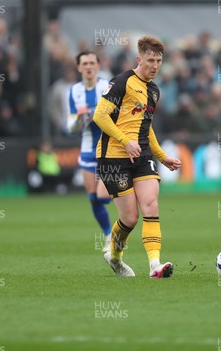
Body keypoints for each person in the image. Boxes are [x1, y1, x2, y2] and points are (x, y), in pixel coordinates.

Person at [93, 36, 182, 279]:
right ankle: (114, 257)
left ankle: (155, 265)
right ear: (138, 59)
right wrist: (124, 140)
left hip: (142, 155)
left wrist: (162, 157)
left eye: (159, 61)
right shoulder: (121, 82)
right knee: (130, 218)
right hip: (113, 158)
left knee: (151, 205)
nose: (155, 65)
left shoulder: (154, 91)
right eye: (150, 60)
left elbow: (146, 127)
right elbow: (99, 116)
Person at [67, 51, 113, 251]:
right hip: (87, 150)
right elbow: (69, 127)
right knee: (93, 198)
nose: (88, 66)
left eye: (92, 63)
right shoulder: (74, 91)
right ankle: (109, 236)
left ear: (97, 65)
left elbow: (118, 113)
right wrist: (78, 119)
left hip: (108, 148)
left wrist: (99, 115)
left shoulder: (106, 86)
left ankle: (126, 194)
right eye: (84, 63)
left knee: (103, 197)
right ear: (78, 67)